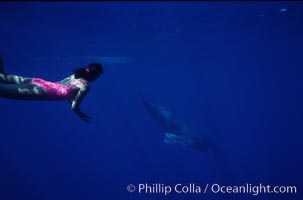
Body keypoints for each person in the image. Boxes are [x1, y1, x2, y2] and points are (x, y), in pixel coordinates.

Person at [0, 56, 103, 123]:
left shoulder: (76, 75)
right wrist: (81, 114)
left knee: (3, 76)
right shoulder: (86, 86)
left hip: (40, 82)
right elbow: (74, 107)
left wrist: (70, 98)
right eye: (98, 76)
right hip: (42, 91)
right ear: (95, 75)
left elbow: (66, 91)